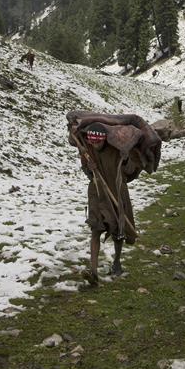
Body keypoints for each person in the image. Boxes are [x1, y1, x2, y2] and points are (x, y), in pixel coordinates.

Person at [66, 111, 162, 285]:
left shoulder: (118, 151)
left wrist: (126, 161)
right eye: (92, 142)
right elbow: (88, 172)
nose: (95, 145)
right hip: (96, 192)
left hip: (117, 192)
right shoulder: (87, 150)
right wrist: (89, 167)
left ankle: (117, 262)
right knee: (95, 229)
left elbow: (130, 172)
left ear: (104, 139)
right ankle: (93, 272)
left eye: (99, 142)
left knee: (119, 231)